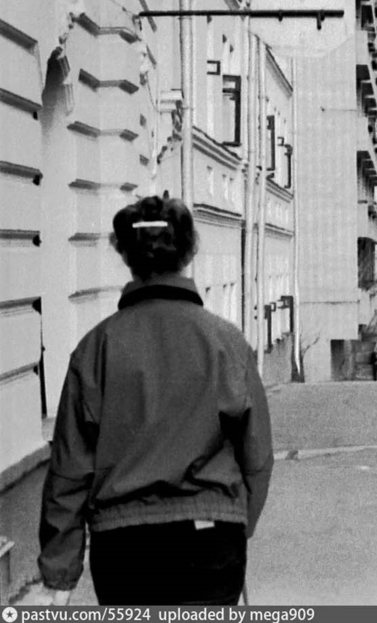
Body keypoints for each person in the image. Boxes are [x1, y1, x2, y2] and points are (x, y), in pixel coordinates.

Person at [33, 195, 272, 606]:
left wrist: (60, 571)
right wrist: (238, 521)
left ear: (126, 255)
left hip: (125, 546)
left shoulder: (96, 348)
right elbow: (257, 455)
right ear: (189, 251)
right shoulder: (226, 342)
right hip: (212, 536)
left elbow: (69, 470)